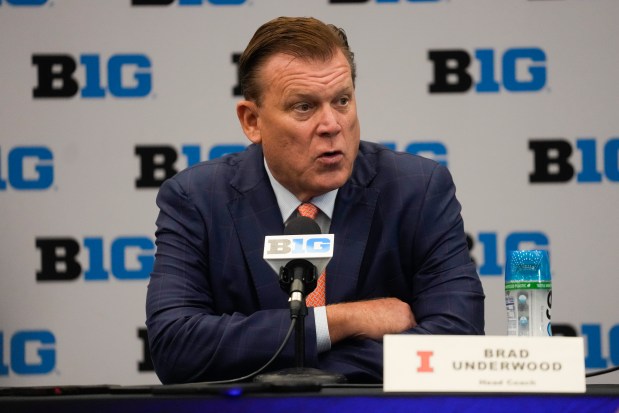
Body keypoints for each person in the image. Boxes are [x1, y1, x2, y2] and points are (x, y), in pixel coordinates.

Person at [146, 16, 485, 385]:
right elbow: (174, 346)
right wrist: (338, 321)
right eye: (304, 107)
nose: (331, 125)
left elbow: (457, 340)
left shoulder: (416, 190)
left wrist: (294, 368)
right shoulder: (197, 200)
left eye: (342, 100)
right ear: (252, 121)